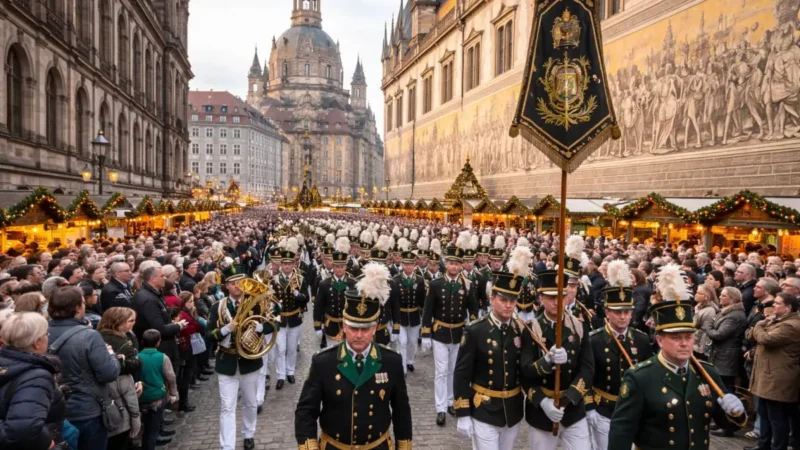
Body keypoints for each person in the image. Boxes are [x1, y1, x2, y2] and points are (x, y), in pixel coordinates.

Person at [608, 264, 747, 450]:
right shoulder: (640, 377)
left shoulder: (706, 373)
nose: (684, 343)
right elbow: (622, 431)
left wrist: (736, 412)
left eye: (688, 337)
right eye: (675, 337)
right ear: (659, 340)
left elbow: (727, 424)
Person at [295, 262, 412, 450]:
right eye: (353, 328)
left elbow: (401, 411)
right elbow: (306, 411)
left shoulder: (391, 361)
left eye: (365, 329)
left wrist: (404, 446)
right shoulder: (323, 362)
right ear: (344, 326)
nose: (359, 335)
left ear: (374, 328)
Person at [453, 267, 526, 450]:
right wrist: (462, 412)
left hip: (512, 409)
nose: (508, 305)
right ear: (492, 299)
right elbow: (462, 374)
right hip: (484, 407)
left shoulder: (520, 330)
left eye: (512, 300)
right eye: (503, 300)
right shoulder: (476, 331)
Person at [521, 269, 593, 450]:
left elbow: (587, 369)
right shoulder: (531, 329)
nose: (556, 302)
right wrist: (546, 362)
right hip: (541, 411)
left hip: (573, 408)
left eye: (560, 296)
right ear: (541, 298)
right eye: (551, 297)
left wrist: (568, 399)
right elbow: (525, 371)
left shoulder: (579, 327)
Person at [586, 261, 653, 450]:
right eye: (618, 312)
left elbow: (648, 375)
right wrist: (589, 406)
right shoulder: (594, 339)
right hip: (603, 409)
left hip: (632, 410)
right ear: (607, 312)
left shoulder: (640, 339)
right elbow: (585, 374)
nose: (623, 317)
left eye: (627, 312)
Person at [48, 286, 121, 450]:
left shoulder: (42, 332)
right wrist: (112, 356)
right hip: (87, 408)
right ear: (77, 307)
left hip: (56, 408)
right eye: (82, 303)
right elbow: (108, 373)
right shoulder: (89, 335)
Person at [421, 244, 479, 426]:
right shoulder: (436, 284)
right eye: (451, 263)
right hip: (440, 333)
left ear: (461, 265)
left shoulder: (467, 285)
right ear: (445, 264)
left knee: (454, 370)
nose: (454, 267)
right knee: (440, 371)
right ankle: (440, 408)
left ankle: (450, 401)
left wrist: (474, 329)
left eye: (457, 264)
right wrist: (425, 333)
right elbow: (428, 310)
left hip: (459, 333)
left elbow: (473, 308)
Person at [207, 272, 264, 450]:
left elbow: (272, 323)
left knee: (250, 402)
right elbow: (209, 334)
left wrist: (261, 327)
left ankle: (248, 433)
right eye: (233, 283)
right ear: (227, 286)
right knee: (227, 406)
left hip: (249, 360)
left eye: (241, 283)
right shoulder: (217, 306)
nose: (237, 286)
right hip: (227, 360)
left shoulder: (255, 304)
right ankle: (227, 445)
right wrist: (225, 330)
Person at [0, 312, 68, 450]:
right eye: (46, 334)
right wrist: (49, 444)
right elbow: (25, 428)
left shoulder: (6, 363)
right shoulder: (37, 376)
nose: (47, 338)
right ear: (37, 342)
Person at [745, 292, 800, 450]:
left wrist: (760, 325)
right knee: (765, 413)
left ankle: (778, 447)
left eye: (777, 303)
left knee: (777, 418)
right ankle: (764, 445)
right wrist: (761, 327)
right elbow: (750, 335)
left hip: (778, 377)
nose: (773, 305)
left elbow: (765, 339)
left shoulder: (791, 325)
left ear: (788, 307)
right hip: (767, 375)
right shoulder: (778, 321)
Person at [98, 308, 142, 450]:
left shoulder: (124, 336)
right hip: (118, 388)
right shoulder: (118, 341)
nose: (133, 324)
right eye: (130, 321)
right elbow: (131, 364)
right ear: (118, 322)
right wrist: (134, 362)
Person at [270, 239, 309, 389]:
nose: (286, 266)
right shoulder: (274, 280)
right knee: (281, 349)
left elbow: (305, 298)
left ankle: (290, 372)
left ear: (293, 264)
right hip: (280, 319)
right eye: (284, 264)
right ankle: (280, 375)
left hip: (294, 318)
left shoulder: (300, 279)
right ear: (281, 264)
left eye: (289, 264)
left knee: (292, 348)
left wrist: (297, 294)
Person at [132, 264, 186, 370]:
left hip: (161, 345)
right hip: (157, 347)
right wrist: (178, 326)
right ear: (153, 279)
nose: (165, 278)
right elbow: (159, 328)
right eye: (162, 276)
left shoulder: (154, 294)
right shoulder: (148, 299)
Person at [702, 287, 747, 410]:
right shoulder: (726, 312)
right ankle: (720, 419)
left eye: (723, 295)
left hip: (727, 358)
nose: (720, 297)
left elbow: (719, 335)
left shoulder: (734, 316)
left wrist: (708, 326)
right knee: (719, 387)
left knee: (725, 389)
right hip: (721, 356)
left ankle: (729, 420)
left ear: (732, 299)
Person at [137, 329, 178, 450]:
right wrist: (173, 393)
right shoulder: (162, 357)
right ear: (158, 342)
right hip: (157, 396)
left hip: (141, 396)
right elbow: (171, 376)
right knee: (152, 429)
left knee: (146, 426)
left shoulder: (137, 356)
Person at [390, 244, 426, 374]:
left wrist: (425, 317)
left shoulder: (420, 280)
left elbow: (423, 300)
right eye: (406, 264)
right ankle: (402, 368)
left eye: (411, 264)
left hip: (415, 316)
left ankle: (409, 361)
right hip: (400, 316)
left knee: (412, 342)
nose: (408, 267)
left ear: (414, 265)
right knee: (402, 342)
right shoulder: (396, 280)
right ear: (403, 265)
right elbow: (394, 302)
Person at [313, 240, 355, 349]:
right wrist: (318, 326)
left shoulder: (352, 283)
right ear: (333, 267)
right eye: (337, 266)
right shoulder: (324, 284)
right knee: (332, 353)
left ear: (345, 267)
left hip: (348, 326)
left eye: (342, 266)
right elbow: (318, 306)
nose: (340, 269)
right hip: (331, 324)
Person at [692, 284, 719, 360]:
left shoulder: (710, 310)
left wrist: (696, 312)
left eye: (699, 293)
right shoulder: (699, 306)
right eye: (696, 292)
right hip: (695, 343)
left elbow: (696, 325)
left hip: (700, 347)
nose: (696, 295)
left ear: (706, 296)